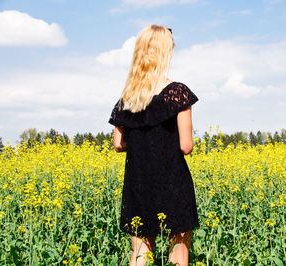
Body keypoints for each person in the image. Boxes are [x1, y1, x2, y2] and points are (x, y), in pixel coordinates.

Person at [108, 25, 200, 266]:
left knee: (140, 253)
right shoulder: (177, 93)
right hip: (172, 181)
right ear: (165, 52)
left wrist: (141, 141)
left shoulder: (128, 97)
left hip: (138, 184)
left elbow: (118, 144)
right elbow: (186, 146)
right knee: (178, 254)